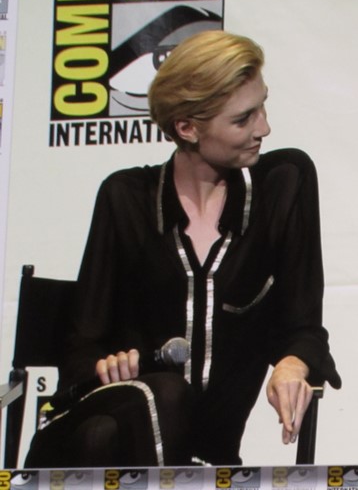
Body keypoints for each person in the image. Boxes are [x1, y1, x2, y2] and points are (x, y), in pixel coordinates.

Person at [25, 30, 340, 466]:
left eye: (262, 106)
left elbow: (304, 327)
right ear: (187, 128)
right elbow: (80, 351)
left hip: (206, 459)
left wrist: (293, 363)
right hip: (98, 444)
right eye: (243, 119)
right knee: (155, 399)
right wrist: (109, 366)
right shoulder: (126, 198)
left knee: (170, 408)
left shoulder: (282, 185)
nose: (263, 128)